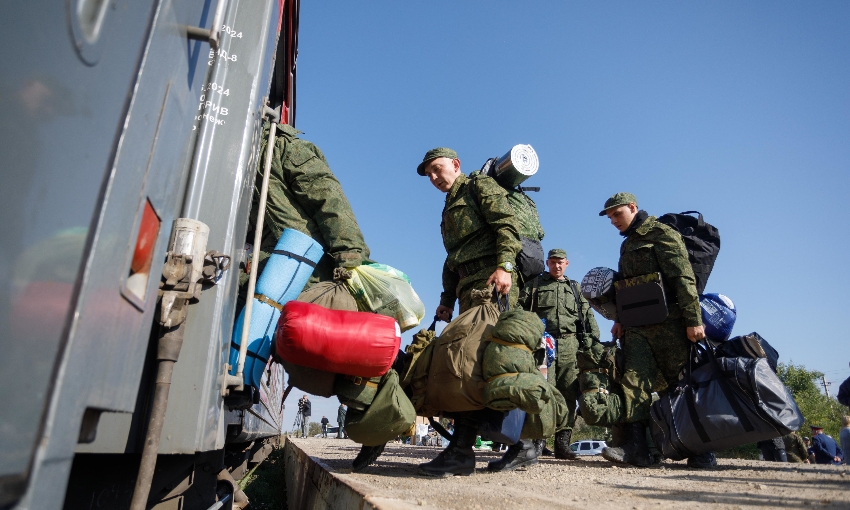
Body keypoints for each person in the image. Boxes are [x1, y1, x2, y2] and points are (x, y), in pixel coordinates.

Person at [417, 147, 522, 477]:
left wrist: (505, 266)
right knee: (475, 364)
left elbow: (507, 224)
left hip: (494, 282)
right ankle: (519, 444)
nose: (434, 178)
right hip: (468, 289)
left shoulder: (478, 185)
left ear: (456, 164)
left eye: (437, 169)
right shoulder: (448, 209)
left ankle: (462, 451)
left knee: (475, 363)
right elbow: (453, 259)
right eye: (429, 174)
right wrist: (447, 298)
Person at [596, 193, 711, 469]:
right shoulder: (627, 246)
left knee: (679, 386)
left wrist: (694, 320)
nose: (613, 221)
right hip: (636, 327)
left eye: (616, 214)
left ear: (633, 208)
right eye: (609, 217)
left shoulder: (661, 233)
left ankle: (700, 449)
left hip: (669, 325)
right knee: (633, 384)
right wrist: (620, 318)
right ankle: (638, 449)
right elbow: (627, 285)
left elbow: (683, 278)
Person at [246, 123, 371, 291]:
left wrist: (350, 259)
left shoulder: (283, 150)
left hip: (302, 265)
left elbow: (330, 202)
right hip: (259, 269)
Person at [508, 248, 599, 465]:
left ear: (567, 264)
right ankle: (539, 441)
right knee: (542, 390)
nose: (557, 266)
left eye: (561, 263)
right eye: (553, 262)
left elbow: (587, 316)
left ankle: (563, 443)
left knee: (569, 391)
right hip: (543, 343)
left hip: (570, 344)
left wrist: (594, 342)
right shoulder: (535, 286)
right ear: (547, 263)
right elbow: (520, 309)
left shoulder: (575, 289)